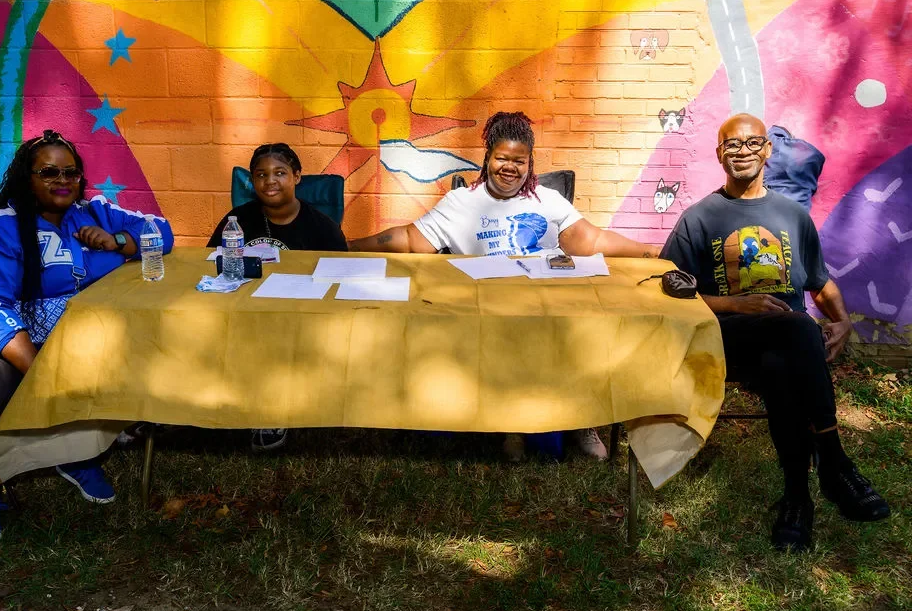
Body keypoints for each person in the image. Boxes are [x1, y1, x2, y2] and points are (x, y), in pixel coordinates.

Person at [348, 112, 662, 460]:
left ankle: (582, 421)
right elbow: (410, 239)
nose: (509, 167)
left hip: (548, 308)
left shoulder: (547, 201)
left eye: (519, 161)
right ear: (488, 158)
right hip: (491, 314)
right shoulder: (461, 203)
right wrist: (351, 245)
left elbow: (592, 241)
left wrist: (651, 251)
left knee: (586, 326)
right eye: (502, 158)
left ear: (530, 163)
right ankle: (512, 424)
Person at [660, 113, 890, 551]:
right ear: (719, 155)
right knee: (797, 329)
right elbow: (669, 287)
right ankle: (833, 461)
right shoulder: (699, 218)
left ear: (767, 150)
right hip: (726, 341)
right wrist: (734, 304)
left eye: (752, 143)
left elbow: (819, 282)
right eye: (731, 144)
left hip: (787, 350)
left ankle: (798, 499)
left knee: (783, 360)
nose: (742, 151)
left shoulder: (792, 216)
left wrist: (842, 321)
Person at [0, 130, 174, 543]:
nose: (62, 180)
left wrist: (119, 241)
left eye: (71, 172)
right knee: (0, 398)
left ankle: (75, 457)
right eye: (49, 172)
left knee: (124, 354)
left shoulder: (93, 212)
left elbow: (162, 232)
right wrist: (39, 369)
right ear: (26, 178)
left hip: (61, 332)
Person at [207, 143, 348, 452]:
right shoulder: (236, 221)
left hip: (300, 318)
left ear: (297, 177)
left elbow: (340, 280)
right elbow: (211, 261)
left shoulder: (322, 227)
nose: (270, 181)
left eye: (280, 173)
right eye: (261, 175)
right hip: (243, 312)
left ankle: (271, 407)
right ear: (252, 181)